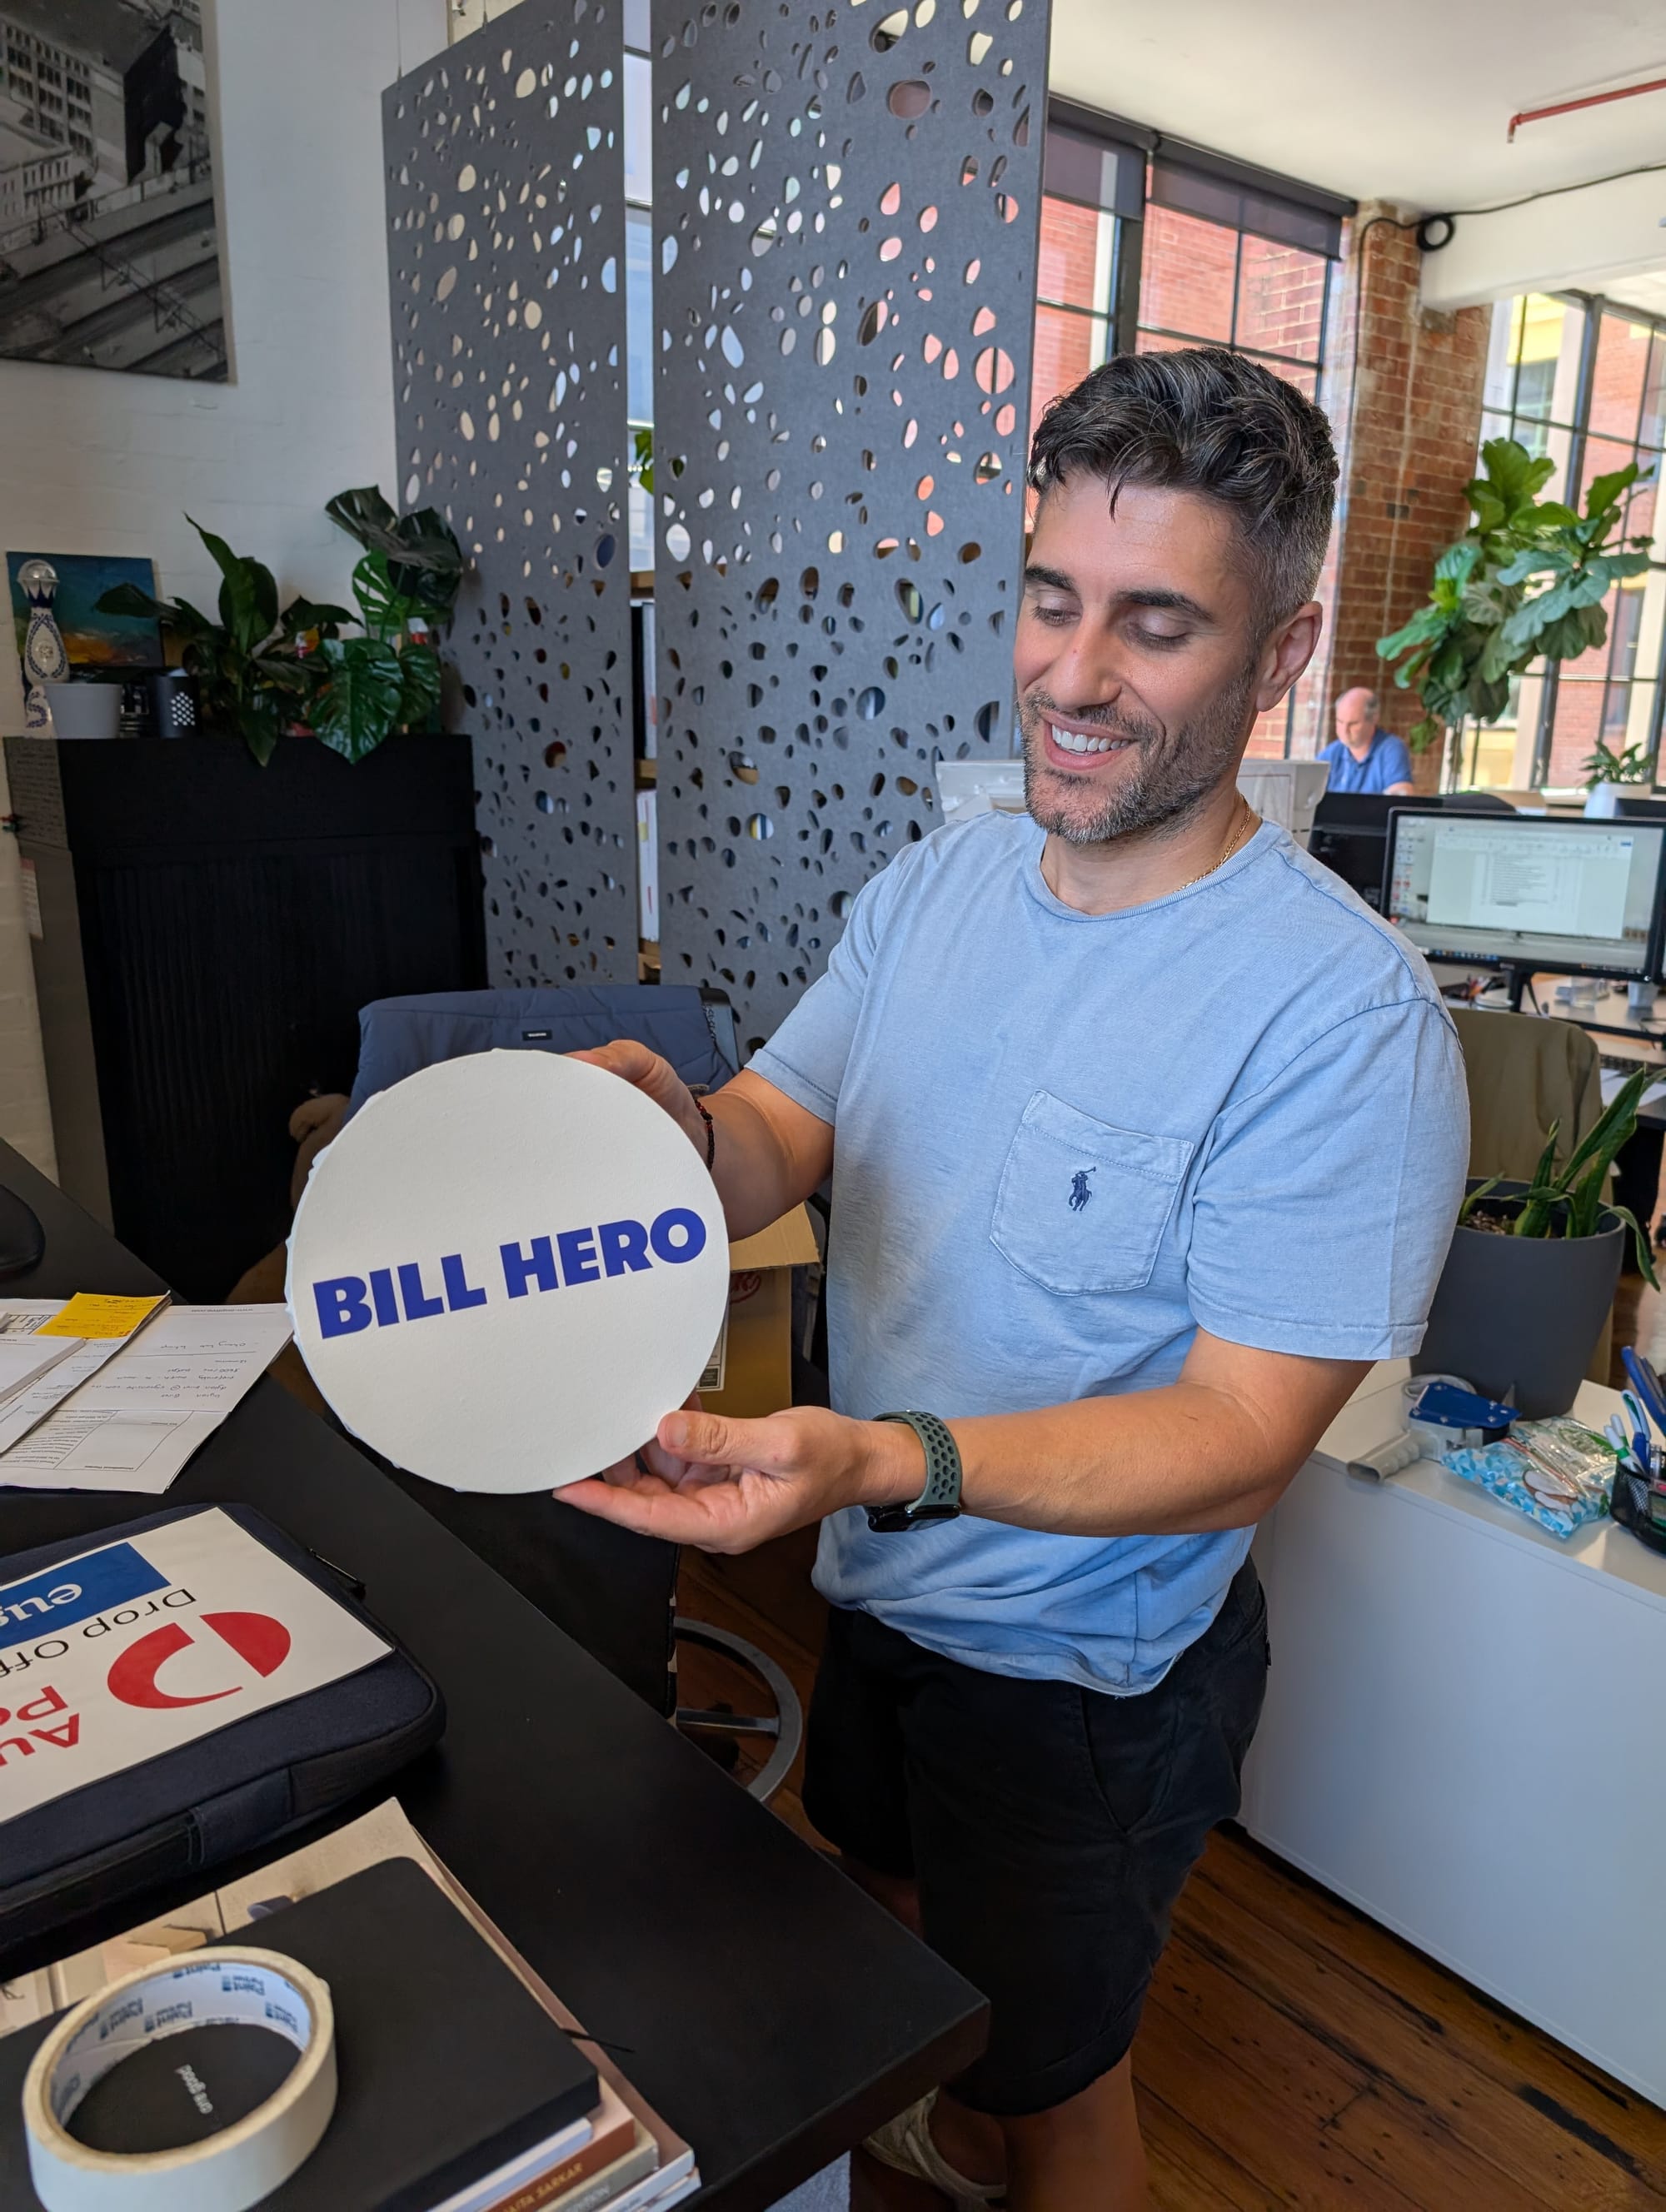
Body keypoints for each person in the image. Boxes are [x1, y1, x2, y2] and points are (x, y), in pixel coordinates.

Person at [561, 349, 1469, 2212]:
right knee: (897, 1938)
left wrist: (880, 1457)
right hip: (878, 1589)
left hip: (1082, 1687)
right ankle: (939, 2139)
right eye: (1052, 598)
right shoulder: (939, 889)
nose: (1071, 674)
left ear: (1281, 654)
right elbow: (777, 1130)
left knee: (1060, 2085)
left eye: (1156, 624)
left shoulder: (1339, 1019)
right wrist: (671, 1130)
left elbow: (1237, 1436)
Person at [1318, 686, 1416, 794]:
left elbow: (1401, 794)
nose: (1344, 730)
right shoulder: (1331, 754)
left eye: (1353, 724)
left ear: (1374, 719)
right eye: (1340, 722)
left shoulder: (1391, 750)